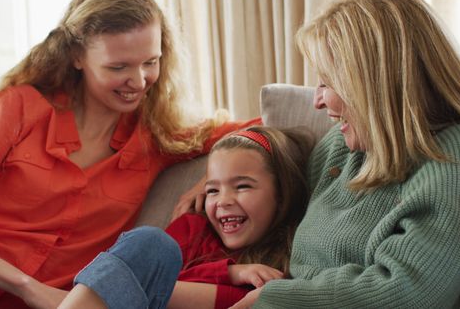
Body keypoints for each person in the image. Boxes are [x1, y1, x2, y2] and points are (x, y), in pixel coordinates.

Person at [0, 0, 258, 309]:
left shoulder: (157, 134)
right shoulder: (19, 107)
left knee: (152, 245)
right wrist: (29, 288)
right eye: (118, 67)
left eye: (150, 62)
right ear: (76, 57)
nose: (139, 81)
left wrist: (212, 176)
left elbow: (263, 127)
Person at [229, 0, 460, 308]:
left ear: (375, 83)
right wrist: (217, 184)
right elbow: (280, 201)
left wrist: (272, 298)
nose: (318, 101)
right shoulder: (345, 145)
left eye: (327, 83)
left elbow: (405, 294)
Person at [57, 126, 314, 309]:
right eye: (212, 189)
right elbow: (148, 283)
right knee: (150, 242)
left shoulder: (293, 250)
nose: (223, 200)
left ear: (281, 192)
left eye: (242, 186)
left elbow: (151, 288)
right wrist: (230, 273)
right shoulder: (192, 229)